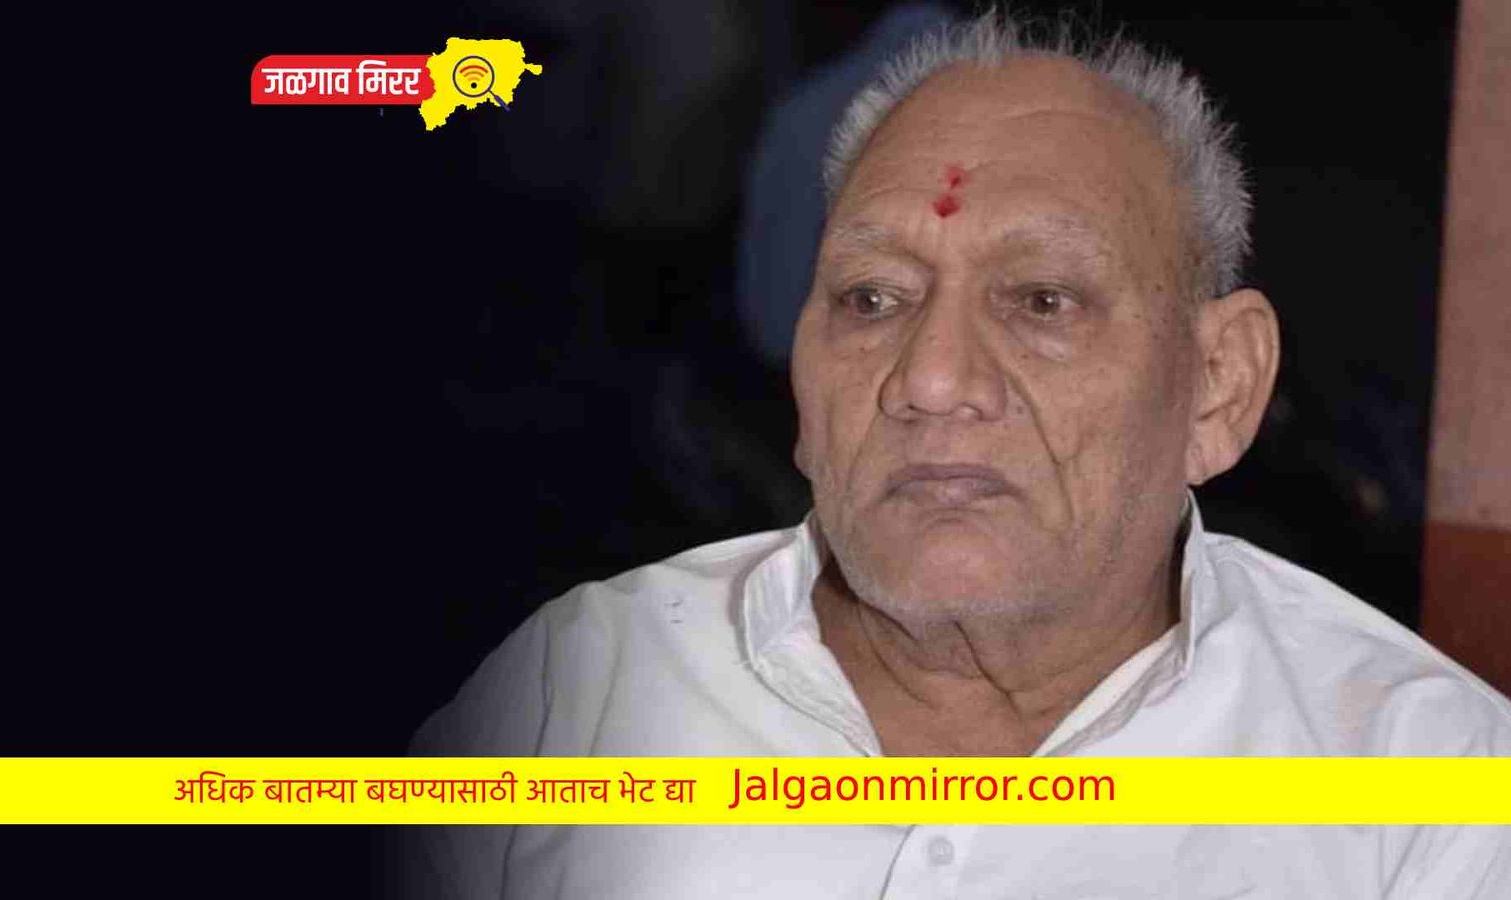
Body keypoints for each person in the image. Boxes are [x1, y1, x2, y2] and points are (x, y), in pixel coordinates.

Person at [404, 9, 1511, 898]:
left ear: (1217, 386)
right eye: (872, 298)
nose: (930, 379)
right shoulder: (574, 699)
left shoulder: (1430, 800)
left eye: (1042, 301)